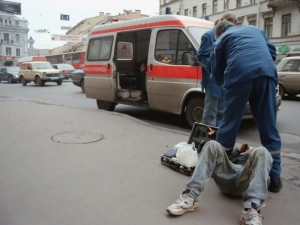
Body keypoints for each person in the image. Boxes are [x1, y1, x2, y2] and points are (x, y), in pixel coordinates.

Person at [211, 20, 282, 193]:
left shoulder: (220, 40)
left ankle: (222, 171)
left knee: (229, 123)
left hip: (239, 74)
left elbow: (217, 72)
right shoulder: (255, 30)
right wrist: (259, 64)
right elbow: (272, 51)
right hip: (266, 73)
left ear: (219, 32)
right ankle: (275, 177)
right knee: (268, 124)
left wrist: (224, 82)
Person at [166, 140, 273, 225]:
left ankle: (251, 210)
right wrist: (239, 151)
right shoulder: (238, 154)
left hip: (245, 179)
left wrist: (253, 153)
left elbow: (262, 177)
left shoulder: (257, 158)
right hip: (228, 173)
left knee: (262, 151)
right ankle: (190, 196)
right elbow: (222, 158)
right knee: (212, 144)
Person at [197, 19, 224, 127]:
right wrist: (216, 66)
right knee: (210, 113)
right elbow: (201, 57)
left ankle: (218, 139)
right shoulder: (208, 36)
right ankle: (209, 140)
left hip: (223, 80)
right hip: (213, 79)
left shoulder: (226, 36)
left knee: (221, 113)